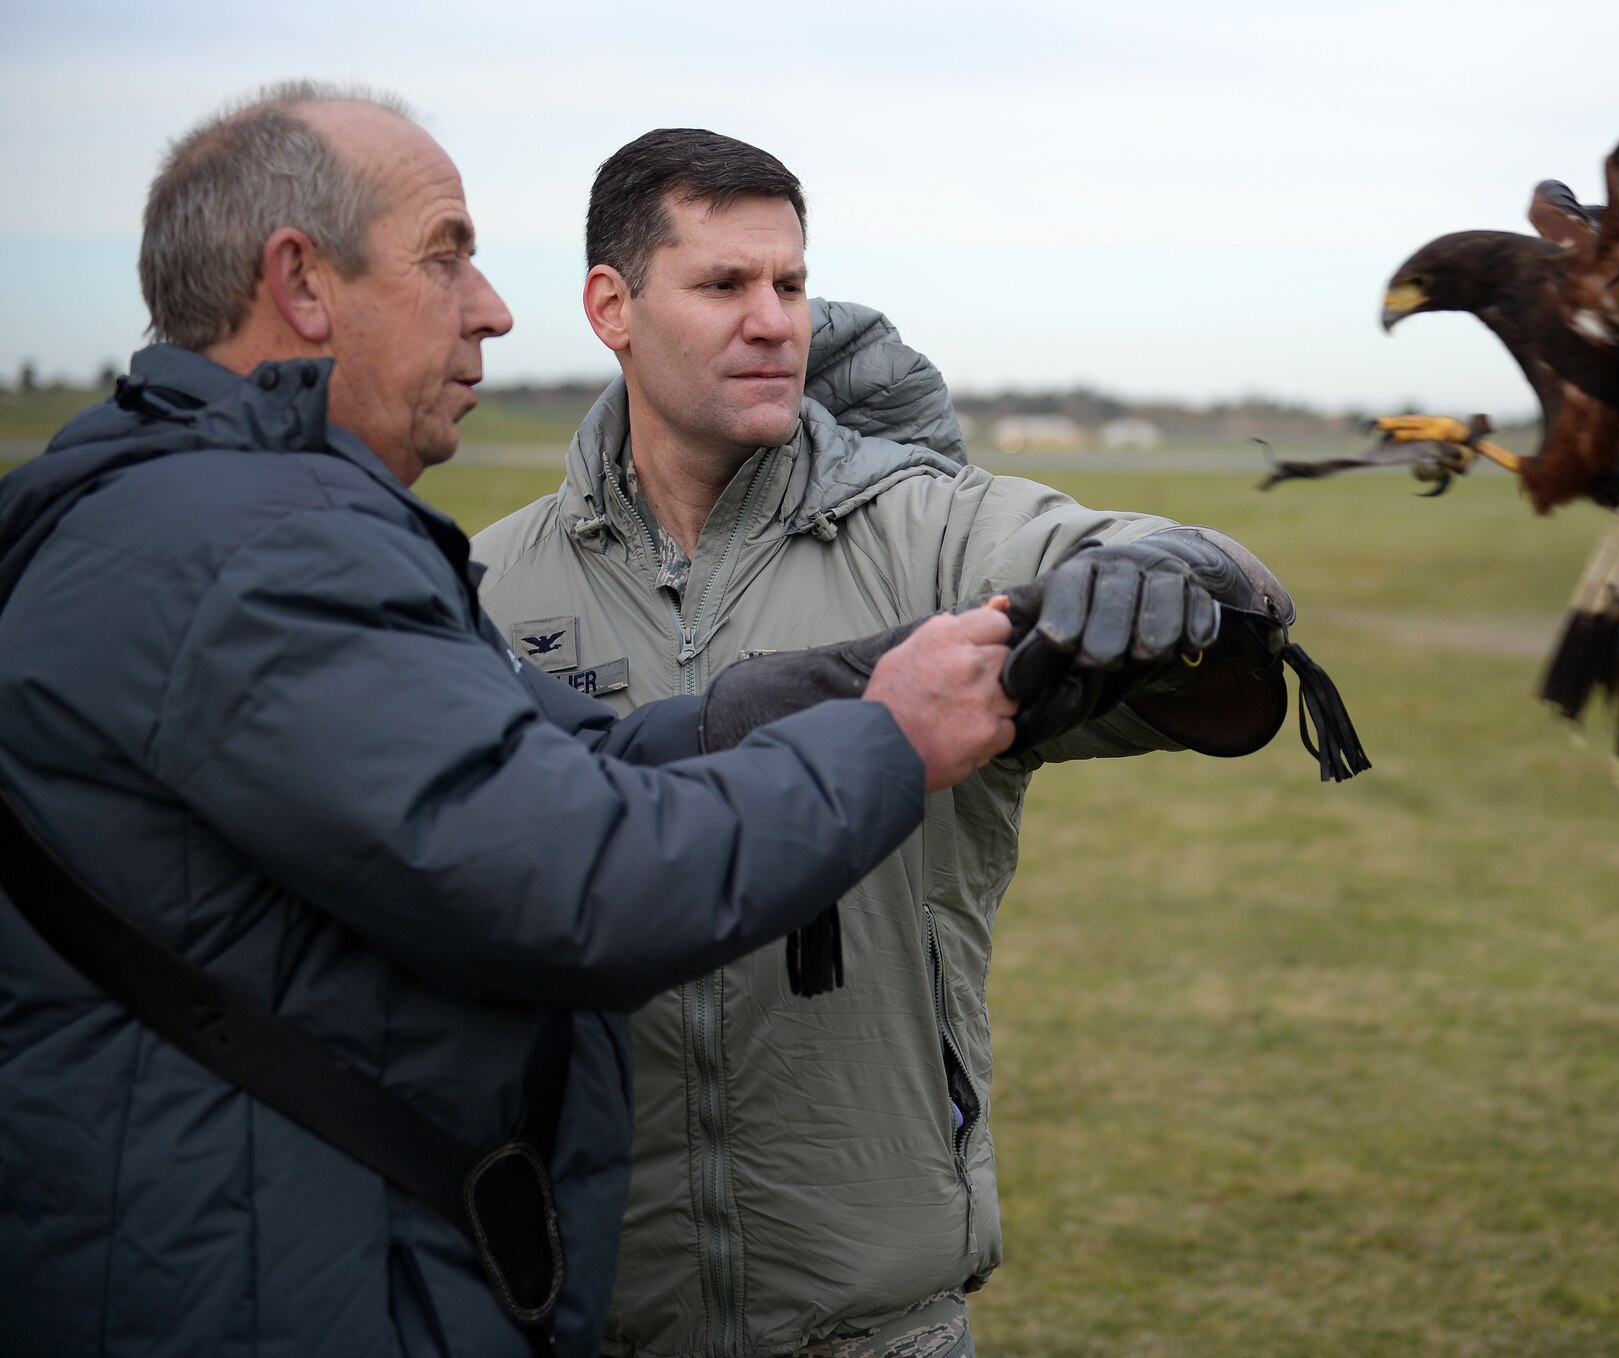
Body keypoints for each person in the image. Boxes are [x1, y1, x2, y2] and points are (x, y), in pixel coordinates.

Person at [0, 86, 1023, 1358]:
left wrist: (827, 678)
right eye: (446, 257)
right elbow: (578, 875)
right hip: (256, 1279)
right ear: (302, 284)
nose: (489, 306)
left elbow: (548, 764)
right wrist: (890, 738)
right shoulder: (259, 556)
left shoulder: (190, 515)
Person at [471, 128, 1356, 1358]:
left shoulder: (930, 530)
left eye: (788, 281)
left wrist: (1180, 564)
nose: (775, 318)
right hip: (582, 1311)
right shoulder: (489, 583)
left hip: (874, 1314)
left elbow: (1154, 567)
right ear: (609, 307)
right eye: (724, 285)